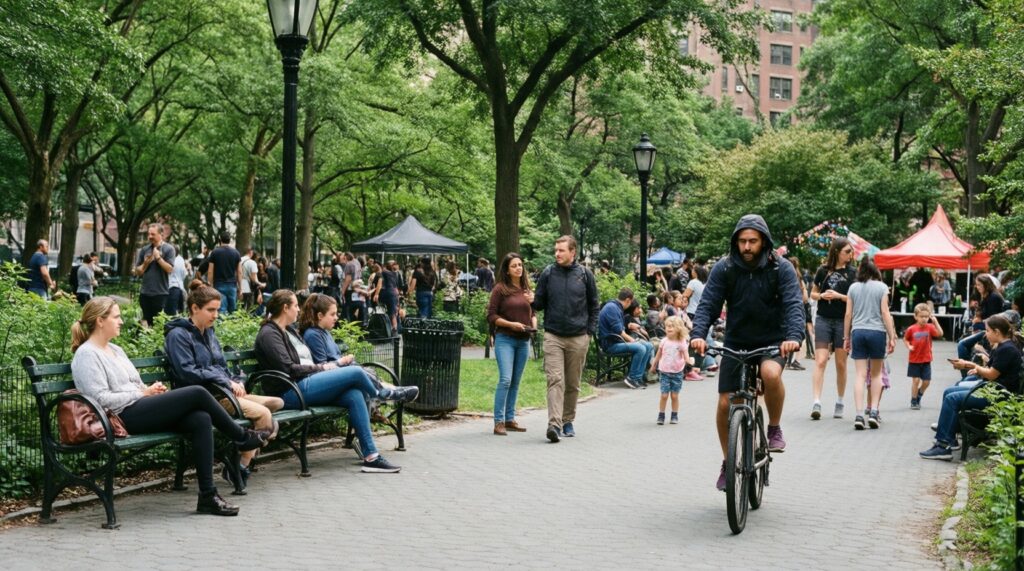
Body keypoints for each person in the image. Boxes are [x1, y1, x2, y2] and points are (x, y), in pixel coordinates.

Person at [71, 297, 270, 516]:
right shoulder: (87, 354)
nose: (121, 322)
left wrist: (150, 389)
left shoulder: (116, 349)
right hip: (119, 417)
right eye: (116, 317)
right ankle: (241, 436)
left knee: (200, 418)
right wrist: (141, 393)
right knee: (198, 392)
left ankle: (207, 496)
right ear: (100, 321)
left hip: (139, 407)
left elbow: (135, 383)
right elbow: (99, 398)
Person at [689, 214, 804, 491]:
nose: (747, 247)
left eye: (752, 241)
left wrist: (793, 337)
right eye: (742, 241)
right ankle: (728, 463)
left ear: (763, 241)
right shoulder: (725, 268)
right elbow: (708, 304)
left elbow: (793, 304)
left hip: (773, 340)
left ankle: (774, 428)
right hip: (737, 340)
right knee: (725, 403)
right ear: (735, 242)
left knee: (769, 372)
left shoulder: (781, 269)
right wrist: (697, 335)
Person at [254, 290, 418, 473]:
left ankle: (371, 457)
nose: (299, 310)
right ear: (285, 308)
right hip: (290, 392)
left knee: (354, 395)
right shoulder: (269, 334)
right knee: (354, 371)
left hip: (305, 383)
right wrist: (324, 368)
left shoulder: (288, 330)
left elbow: (301, 363)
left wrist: (323, 369)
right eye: (295, 306)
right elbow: (289, 369)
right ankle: (382, 393)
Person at [164, 281, 284, 490]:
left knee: (277, 403)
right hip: (208, 398)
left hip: (225, 393)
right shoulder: (178, 335)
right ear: (194, 308)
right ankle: (239, 467)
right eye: (211, 310)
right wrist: (224, 381)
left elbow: (221, 366)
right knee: (265, 416)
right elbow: (188, 373)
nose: (216, 315)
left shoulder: (210, 334)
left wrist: (236, 380)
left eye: (217, 310)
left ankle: (244, 446)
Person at [920, 315, 1022, 460]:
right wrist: (973, 366)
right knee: (949, 392)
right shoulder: (1003, 346)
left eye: (987, 331)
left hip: (998, 396)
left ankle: (943, 447)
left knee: (952, 398)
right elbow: (992, 371)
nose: (985, 334)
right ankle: (950, 439)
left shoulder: (1007, 349)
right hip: (993, 390)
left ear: (997, 332)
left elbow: (992, 374)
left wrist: (973, 366)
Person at [532, 235, 600, 443]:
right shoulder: (548, 273)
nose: (557, 254)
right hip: (554, 335)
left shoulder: (585, 275)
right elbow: (539, 303)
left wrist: (589, 332)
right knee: (555, 379)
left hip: (579, 337)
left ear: (573, 252)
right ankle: (554, 424)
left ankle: (567, 420)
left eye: (561, 250)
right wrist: (531, 300)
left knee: (572, 383)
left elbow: (594, 305)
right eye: (556, 250)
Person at [842, 259, 897, 430]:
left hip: (858, 332)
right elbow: (885, 312)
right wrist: (892, 336)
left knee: (859, 375)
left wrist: (846, 338)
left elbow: (848, 314)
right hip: (877, 332)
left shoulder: (853, 288)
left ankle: (859, 415)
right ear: (876, 272)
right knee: (875, 375)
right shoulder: (882, 287)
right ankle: (873, 411)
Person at [486, 252, 535, 435]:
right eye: (514, 265)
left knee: (515, 381)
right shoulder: (500, 289)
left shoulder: (526, 289)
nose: (518, 268)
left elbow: (533, 311)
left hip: (523, 341)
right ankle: (498, 421)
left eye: (520, 265)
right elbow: (491, 316)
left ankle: (509, 418)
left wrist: (533, 323)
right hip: (505, 339)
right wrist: (511, 324)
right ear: (507, 270)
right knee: (505, 379)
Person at [809, 237, 857, 420]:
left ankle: (840, 400)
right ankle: (816, 402)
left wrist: (838, 296)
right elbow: (812, 293)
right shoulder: (823, 271)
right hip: (823, 319)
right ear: (837, 252)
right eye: (847, 251)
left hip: (842, 321)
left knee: (841, 363)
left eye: (851, 251)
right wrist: (821, 296)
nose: (850, 255)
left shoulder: (853, 273)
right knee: (820, 361)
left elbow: (854, 300)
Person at [599, 288, 655, 389]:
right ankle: (632, 378)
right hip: (610, 344)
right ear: (628, 300)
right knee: (640, 348)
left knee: (649, 345)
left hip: (617, 341)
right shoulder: (612, 308)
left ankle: (638, 378)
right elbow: (620, 332)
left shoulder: (616, 307)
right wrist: (634, 341)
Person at [957, 274, 1005, 376]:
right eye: (976, 285)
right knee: (967, 325)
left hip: (989, 328)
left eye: (979, 285)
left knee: (962, 344)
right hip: (985, 326)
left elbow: (993, 319)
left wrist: (980, 320)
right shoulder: (986, 295)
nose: (977, 287)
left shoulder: (994, 297)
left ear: (986, 285)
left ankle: (965, 374)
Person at [133, 223, 176, 327]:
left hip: (160, 293)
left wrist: (158, 258)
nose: (150, 237)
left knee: (159, 324)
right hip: (145, 292)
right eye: (149, 234)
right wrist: (146, 263)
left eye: (153, 234)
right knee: (147, 322)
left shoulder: (169, 249)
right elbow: (138, 271)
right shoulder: (144, 249)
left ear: (161, 234)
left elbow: (170, 269)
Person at [904, 303, 943, 410]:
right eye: (921, 317)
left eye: (926, 317)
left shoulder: (930, 327)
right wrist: (909, 346)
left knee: (926, 381)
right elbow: (906, 339)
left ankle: (919, 395)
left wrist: (935, 322)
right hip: (914, 360)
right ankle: (913, 400)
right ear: (916, 316)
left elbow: (940, 334)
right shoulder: (911, 329)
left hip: (926, 359)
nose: (924, 319)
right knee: (915, 380)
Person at [650, 315, 689, 425]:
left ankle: (674, 414)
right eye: (667, 326)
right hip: (664, 371)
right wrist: (654, 365)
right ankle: (661, 415)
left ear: (678, 328)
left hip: (677, 372)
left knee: (674, 396)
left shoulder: (682, 342)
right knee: (664, 395)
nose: (669, 328)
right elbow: (658, 354)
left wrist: (690, 362)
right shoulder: (664, 341)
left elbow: (686, 357)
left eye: (672, 326)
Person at [787, 256, 815, 367]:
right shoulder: (798, 277)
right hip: (799, 307)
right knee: (798, 334)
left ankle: (789, 360)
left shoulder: (785, 275)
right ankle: (793, 360)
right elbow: (804, 297)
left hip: (788, 307)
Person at [206, 231, 242, 314]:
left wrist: (210, 285)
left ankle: (222, 326)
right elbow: (239, 272)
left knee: (221, 310)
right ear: (229, 240)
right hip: (232, 285)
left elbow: (210, 271)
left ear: (220, 239)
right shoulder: (236, 253)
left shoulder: (214, 252)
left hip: (218, 284)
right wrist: (240, 288)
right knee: (233, 310)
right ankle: (233, 326)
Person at [239, 247, 264, 312]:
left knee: (240, 307)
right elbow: (254, 279)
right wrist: (262, 284)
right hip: (248, 287)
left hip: (238, 285)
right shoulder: (252, 263)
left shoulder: (239, 259)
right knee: (249, 308)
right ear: (251, 253)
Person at [165, 246, 187, 316]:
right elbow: (184, 274)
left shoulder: (170, 261)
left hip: (171, 288)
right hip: (179, 288)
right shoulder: (181, 259)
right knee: (179, 312)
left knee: (170, 314)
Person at [340, 252, 362, 322]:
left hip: (349, 290)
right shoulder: (357, 262)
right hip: (357, 289)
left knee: (347, 310)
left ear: (345, 257)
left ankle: (346, 327)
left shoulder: (349, 264)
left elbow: (348, 279)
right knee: (353, 310)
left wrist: (342, 291)